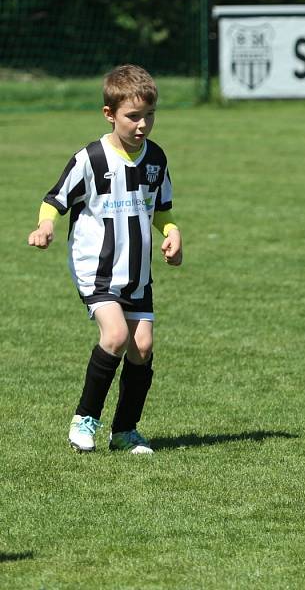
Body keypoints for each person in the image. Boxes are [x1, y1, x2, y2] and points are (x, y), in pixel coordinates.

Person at [27, 64, 182, 455]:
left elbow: (162, 209)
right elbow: (55, 199)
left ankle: (125, 431)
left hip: (137, 273)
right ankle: (84, 420)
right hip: (95, 267)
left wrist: (172, 233)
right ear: (110, 114)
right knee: (114, 336)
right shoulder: (90, 159)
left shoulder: (156, 160)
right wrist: (45, 227)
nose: (143, 124)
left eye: (150, 115)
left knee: (142, 348)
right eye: (133, 116)